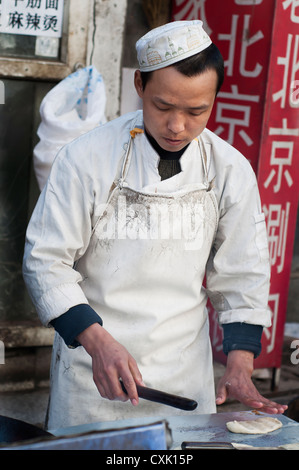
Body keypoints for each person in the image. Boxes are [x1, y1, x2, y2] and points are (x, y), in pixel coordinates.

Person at [23, 20, 287, 430]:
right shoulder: (86, 159)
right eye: (163, 107)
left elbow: (243, 274)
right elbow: (45, 262)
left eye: (197, 111)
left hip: (182, 381)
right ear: (140, 86)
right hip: (92, 373)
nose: (178, 126)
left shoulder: (229, 169)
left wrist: (239, 363)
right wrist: (97, 342)